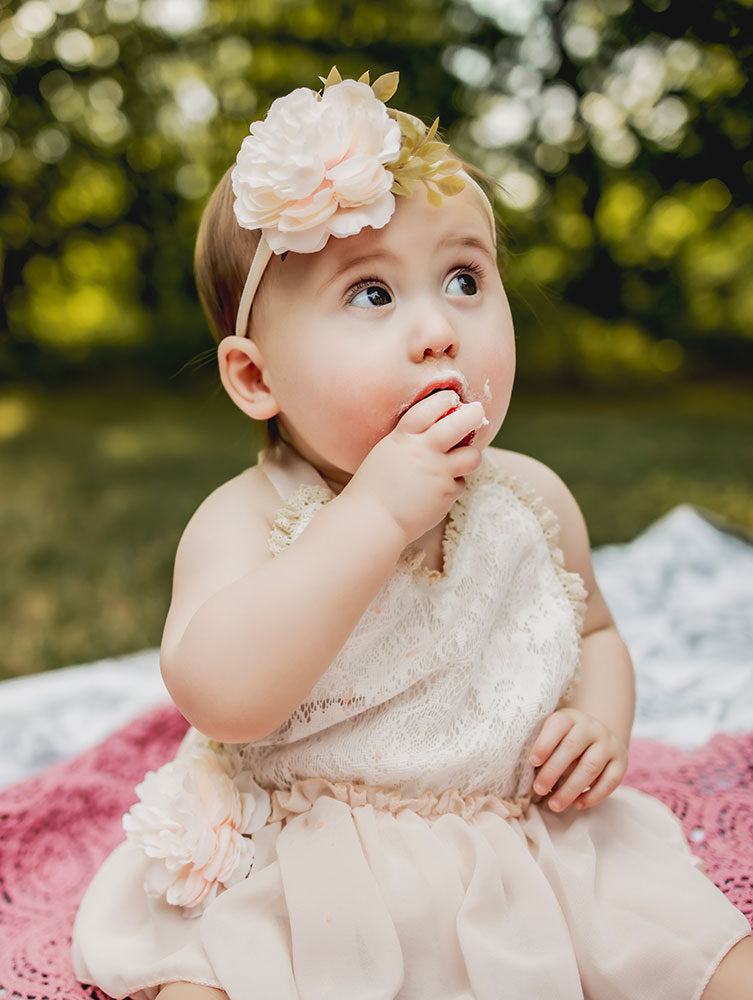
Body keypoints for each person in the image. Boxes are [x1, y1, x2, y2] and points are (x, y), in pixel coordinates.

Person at [72, 68, 752, 1000]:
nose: (438, 328)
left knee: (700, 951)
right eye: (370, 295)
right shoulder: (249, 517)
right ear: (254, 377)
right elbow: (220, 696)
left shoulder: (532, 500)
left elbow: (592, 632)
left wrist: (599, 720)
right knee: (210, 974)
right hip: (312, 859)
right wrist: (376, 515)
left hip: (518, 836)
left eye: (465, 279)